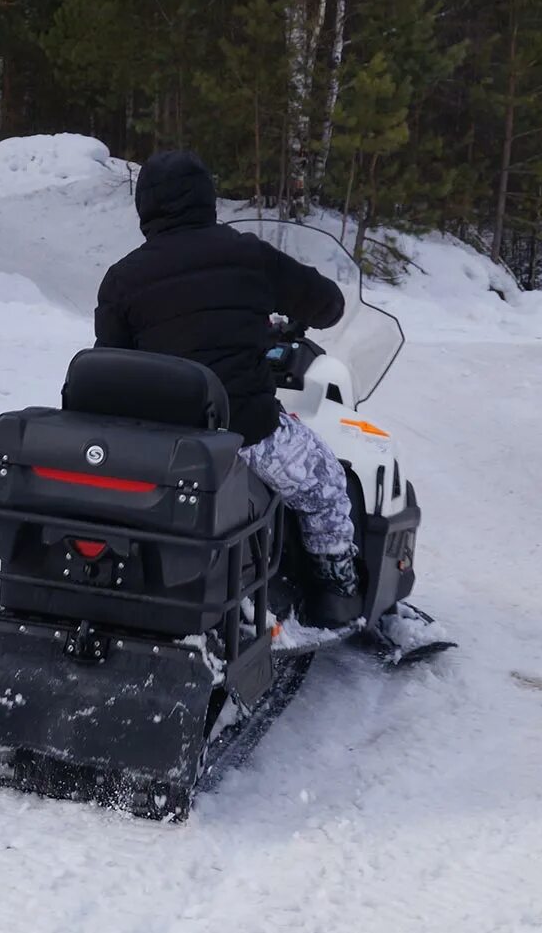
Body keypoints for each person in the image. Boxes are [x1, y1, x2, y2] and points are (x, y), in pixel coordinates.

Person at [94, 149, 360, 627]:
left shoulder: (121, 279)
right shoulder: (247, 255)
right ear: (207, 199)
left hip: (162, 444)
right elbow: (329, 304)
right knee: (325, 485)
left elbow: (112, 363)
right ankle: (336, 594)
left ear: (144, 208)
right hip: (246, 434)